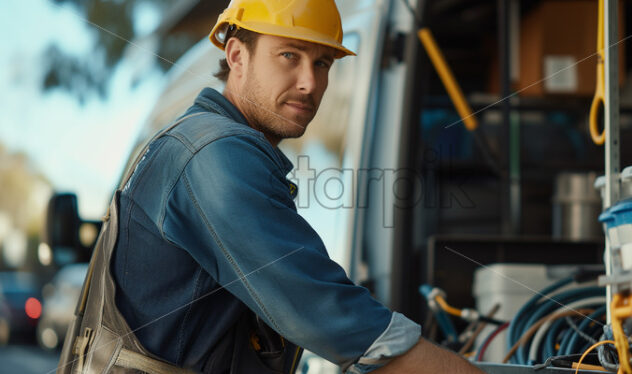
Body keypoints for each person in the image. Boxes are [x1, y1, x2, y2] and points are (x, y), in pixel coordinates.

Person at [111, 0, 484, 373]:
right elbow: (324, 311)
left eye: (322, 63)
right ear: (237, 56)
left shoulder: (203, 140)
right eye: (289, 55)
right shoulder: (213, 153)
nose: (310, 83)